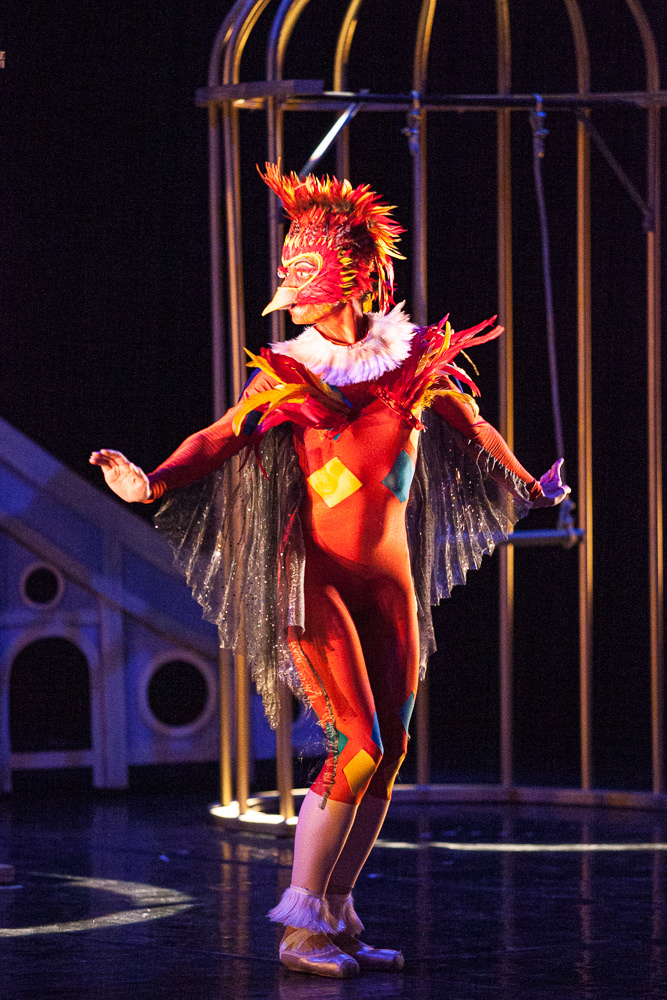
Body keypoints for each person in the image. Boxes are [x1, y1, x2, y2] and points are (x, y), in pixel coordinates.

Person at [91, 163, 569, 979]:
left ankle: (338, 911)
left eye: (304, 283)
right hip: (315, 579)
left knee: (390, 747)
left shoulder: (414, 362)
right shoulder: (292, 374)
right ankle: (298, 923)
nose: (290, 300)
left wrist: (529, 484)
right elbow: (222, 434)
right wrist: (152, 482)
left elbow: (474, 426)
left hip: (388, 581)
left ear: (350, 280)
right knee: (356, 743)